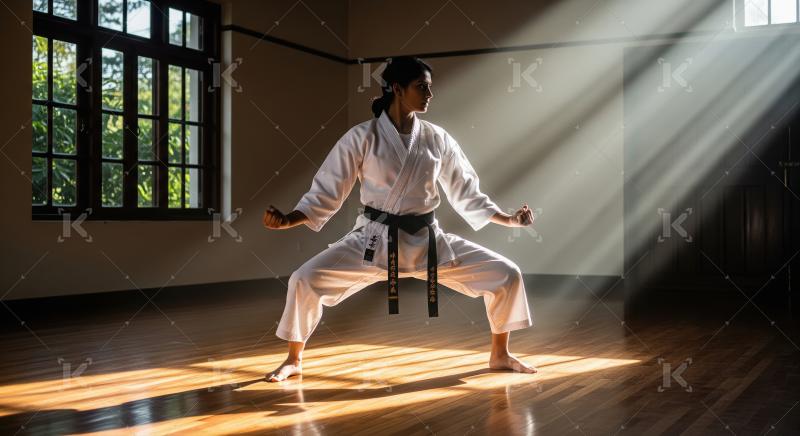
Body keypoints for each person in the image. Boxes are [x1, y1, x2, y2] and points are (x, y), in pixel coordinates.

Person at [263, 56, 536, 382]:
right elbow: (328, 190)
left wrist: (509, 219)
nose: (429, 95)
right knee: (303, 279)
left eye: (429, 88)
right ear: (397, 88)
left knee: (507, 274)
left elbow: (466, 191)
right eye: (422, 87)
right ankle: (294, 359)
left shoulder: (438, 139)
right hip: (374, 241)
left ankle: (500, 354)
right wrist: (289, 219)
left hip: (428, 241)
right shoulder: (361, 137)